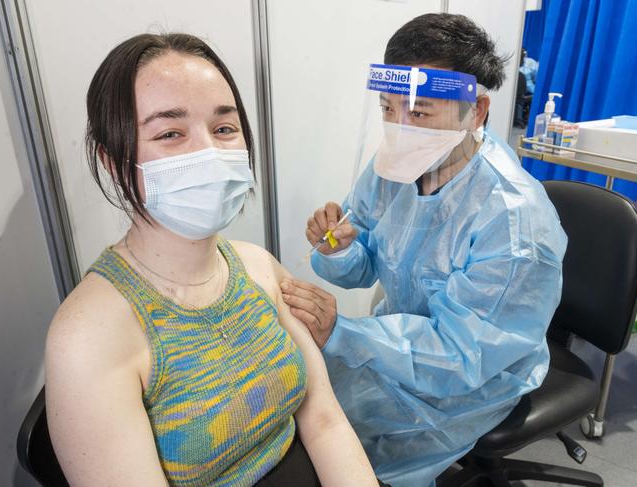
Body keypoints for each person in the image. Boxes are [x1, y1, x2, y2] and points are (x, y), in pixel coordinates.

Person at [44, 33, 381, 487]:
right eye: (170, 133)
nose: (208, 152)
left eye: (224, 129)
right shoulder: (88, 336)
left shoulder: (257, 267)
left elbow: (324, 421)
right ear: (112, 160)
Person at [281, 13, 568, 487]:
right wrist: (336, 250)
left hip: (480, 378)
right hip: (399, 348)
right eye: (389, 110)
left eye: (419, 113)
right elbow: (366, 262)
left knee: (344, 455)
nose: (400, 128)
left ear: (475, 111)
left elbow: (463, 357)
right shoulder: (397, 165)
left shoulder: (514, 223)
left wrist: (345, 334)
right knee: (296, 404)